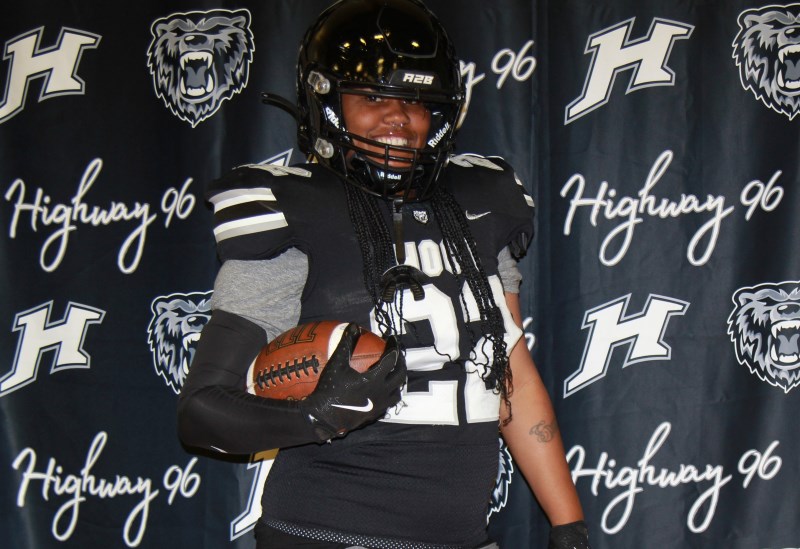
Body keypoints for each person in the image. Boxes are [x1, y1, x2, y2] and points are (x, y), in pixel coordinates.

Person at [178, 0, 590, 547]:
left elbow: (511, 376)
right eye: (373, 97)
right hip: (327, 531)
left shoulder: (479, 204)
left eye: (415, 101)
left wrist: (567, 523)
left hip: (463, 537)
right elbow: (203, 410)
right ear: (327, 102)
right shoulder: (293, 211)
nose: (398, 117)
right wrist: (315, 416)